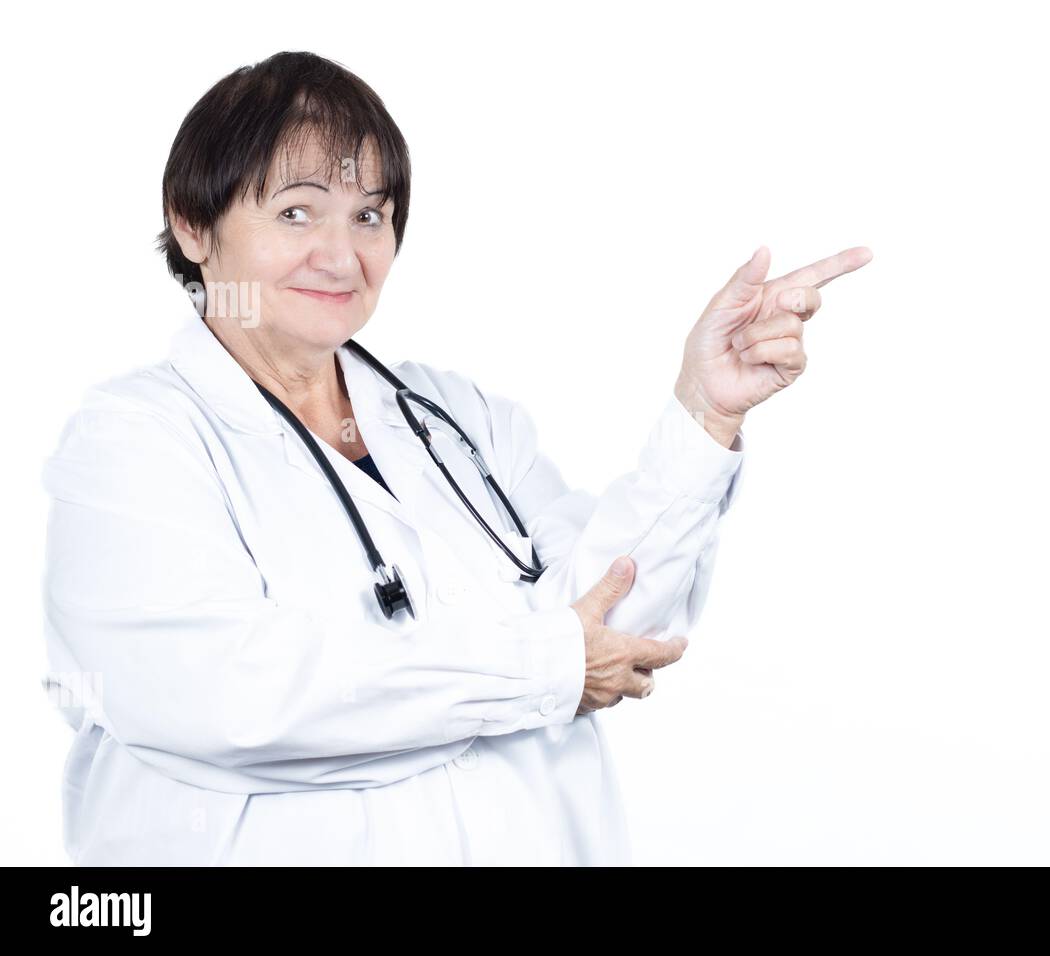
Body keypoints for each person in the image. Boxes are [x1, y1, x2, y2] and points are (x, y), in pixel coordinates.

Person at [39, 51, 872, 865]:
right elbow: (229, 703)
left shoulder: (455, 420)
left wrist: (706, 408)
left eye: (369, 214)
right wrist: (536, 669)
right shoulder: (133, 443)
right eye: (296, 212)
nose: (340, 255)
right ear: (193, 223)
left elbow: (615, 628)